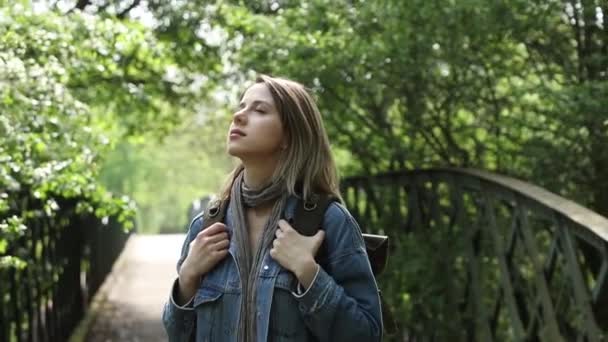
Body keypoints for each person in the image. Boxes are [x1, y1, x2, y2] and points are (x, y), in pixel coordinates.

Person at [162, 75, 383, 341]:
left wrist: (308, 271)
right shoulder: (207, 226)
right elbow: (176, 334)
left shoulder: (327, 222)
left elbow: (367, 334)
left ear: (289, 136)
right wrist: (186, 279)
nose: (239, 116)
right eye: (241, 106)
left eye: (259, 110)